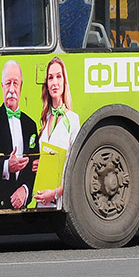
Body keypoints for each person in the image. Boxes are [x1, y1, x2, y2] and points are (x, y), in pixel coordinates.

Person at [0, 60, 39, 212]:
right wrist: (6, 166)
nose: (11, 89)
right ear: (2, 86)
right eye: (8, 83)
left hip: (22, 214)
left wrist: (25, 189)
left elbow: (35, 166)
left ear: (21, 87)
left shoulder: (30, 125)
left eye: (15, 83)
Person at [32, 56, 79, 209]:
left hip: (60, 202)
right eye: (51, 78)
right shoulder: (45, 119)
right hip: (41, 201)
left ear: (65, 82)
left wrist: (54, 194)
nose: (55, 82)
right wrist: (38, 165)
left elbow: (76, 168)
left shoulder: (72, 119)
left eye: (59, 76)